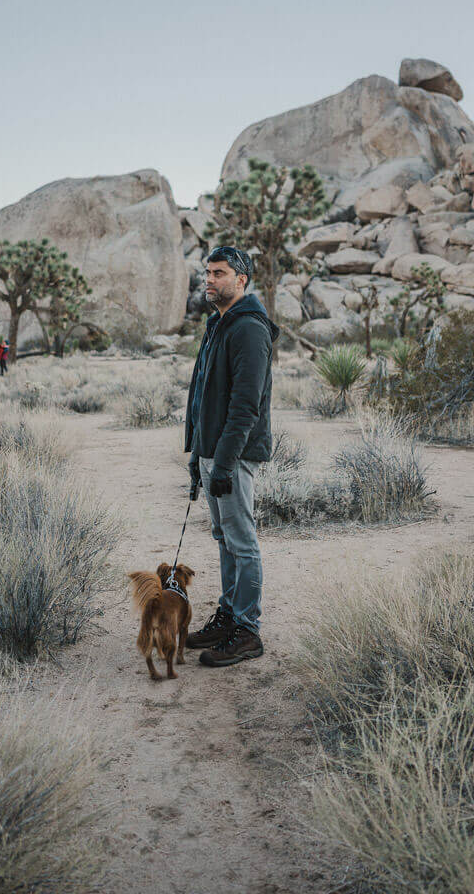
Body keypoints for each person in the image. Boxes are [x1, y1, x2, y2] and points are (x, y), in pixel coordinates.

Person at [184, 246, 279, 667]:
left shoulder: (249, 329)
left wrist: (222, 463)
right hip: (212, 451)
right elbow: (202, 394)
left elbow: (245, 406)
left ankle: (247, 630)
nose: (209, 279)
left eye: (218, 273)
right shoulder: (218, 325)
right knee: (224, 540)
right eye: (207, 272)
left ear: (241, 280)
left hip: (234, 455)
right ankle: (228, 616)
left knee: (242, 542)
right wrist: (197, 455)